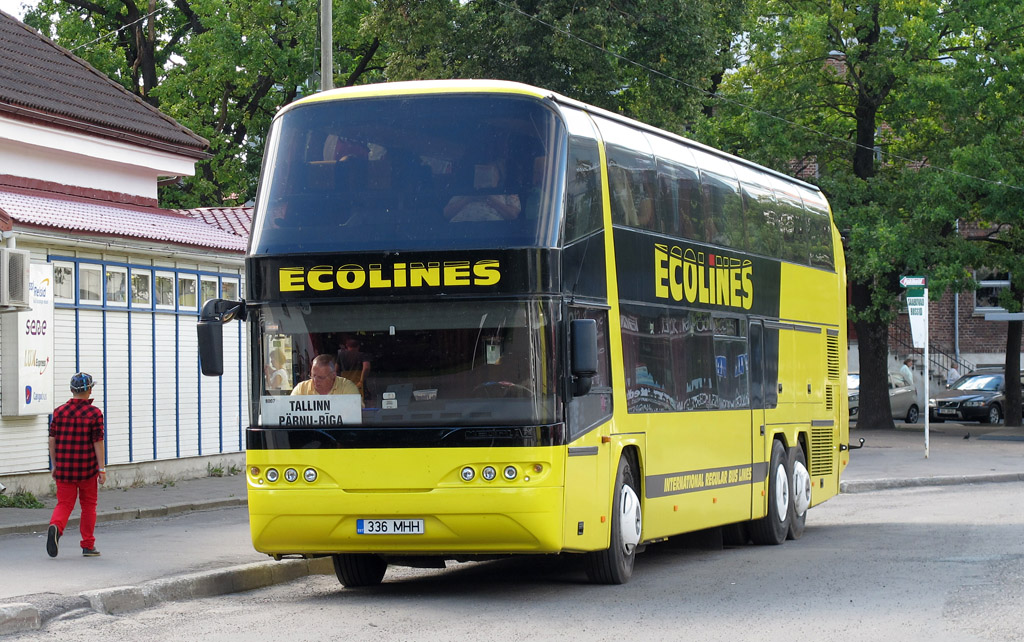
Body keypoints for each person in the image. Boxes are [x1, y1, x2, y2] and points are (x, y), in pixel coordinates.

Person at [46, 372, 106, 558]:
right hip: (86, 469)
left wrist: (55, 465)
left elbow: (52, 440)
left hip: (64, 469)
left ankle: (56, 526)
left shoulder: (59, 412)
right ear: (89, 390)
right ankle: (88, 545)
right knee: (89, 506)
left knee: (64, 504)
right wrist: (101, 469)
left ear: (72, 390)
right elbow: (98, 442)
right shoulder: (94, 413)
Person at [291, 354, 363, 405]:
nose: (315, 381)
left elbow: (356, 412)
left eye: (321, 377)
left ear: (333, 375)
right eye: (313, 376)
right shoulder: (301, 389)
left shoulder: (347, 388)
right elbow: (290, 412)